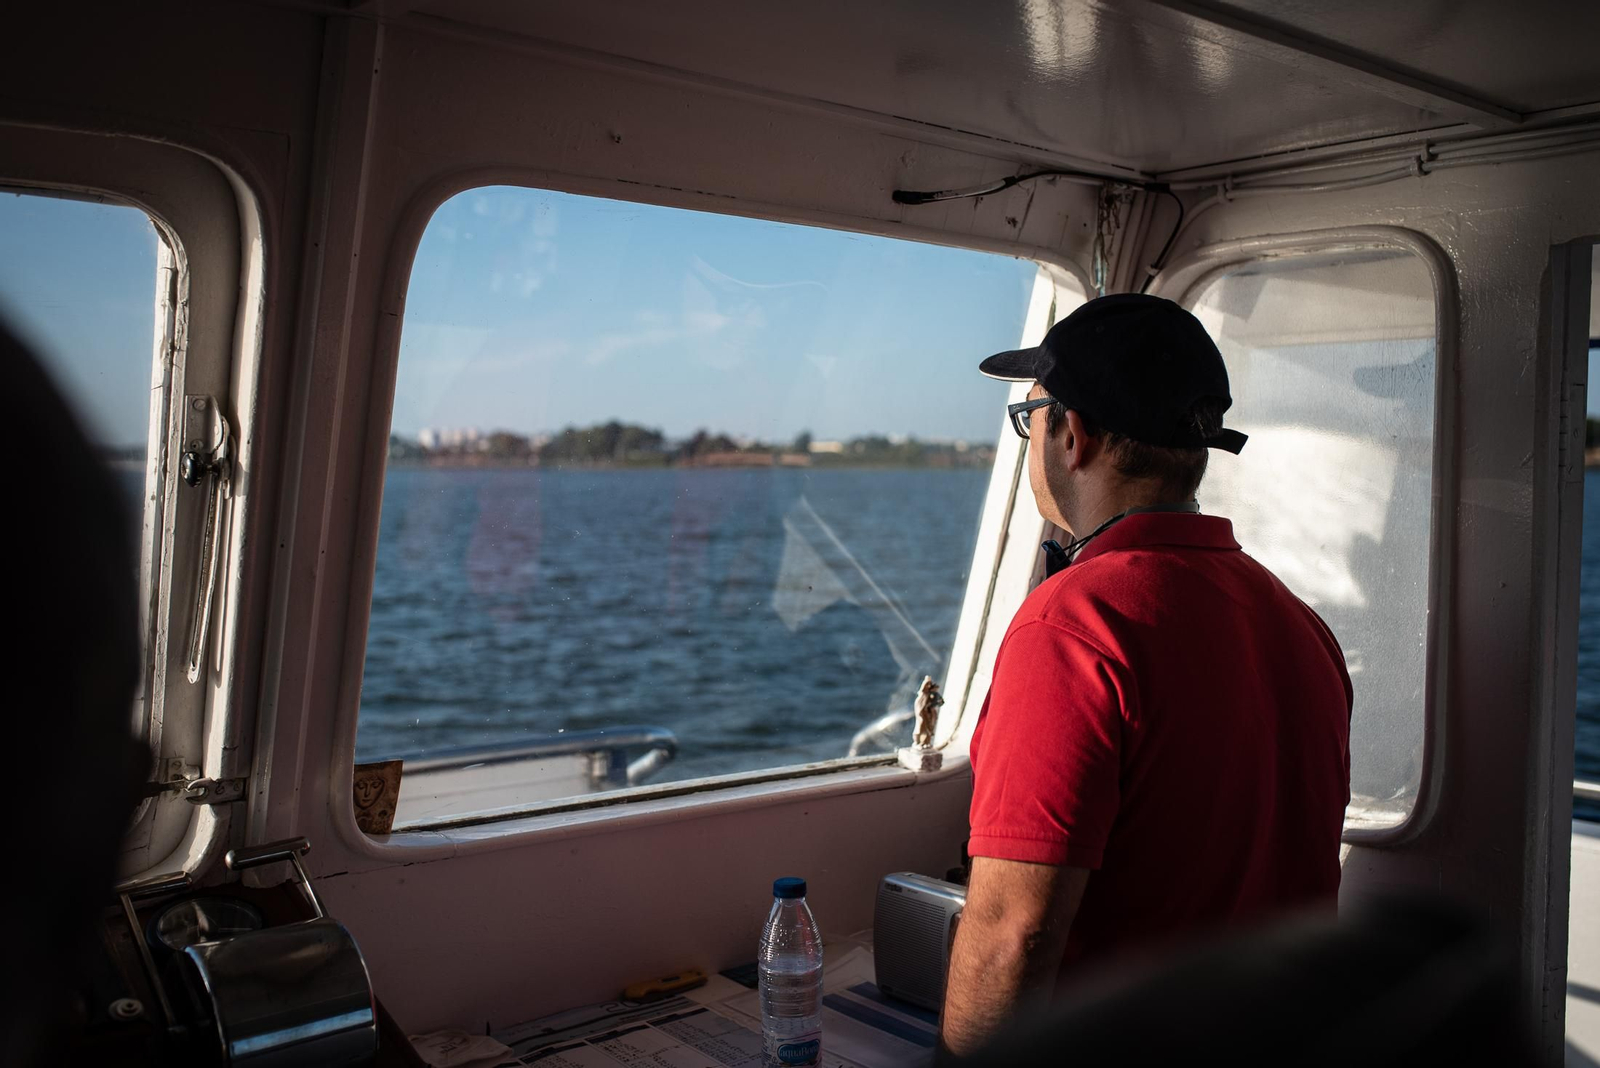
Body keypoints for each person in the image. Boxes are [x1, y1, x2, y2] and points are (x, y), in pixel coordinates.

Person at [939, 294, 1353, 1056]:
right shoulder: (1300, 624)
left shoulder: (1071, 628)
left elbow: (1012, 938)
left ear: (1074, 434)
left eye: (1032, 416)